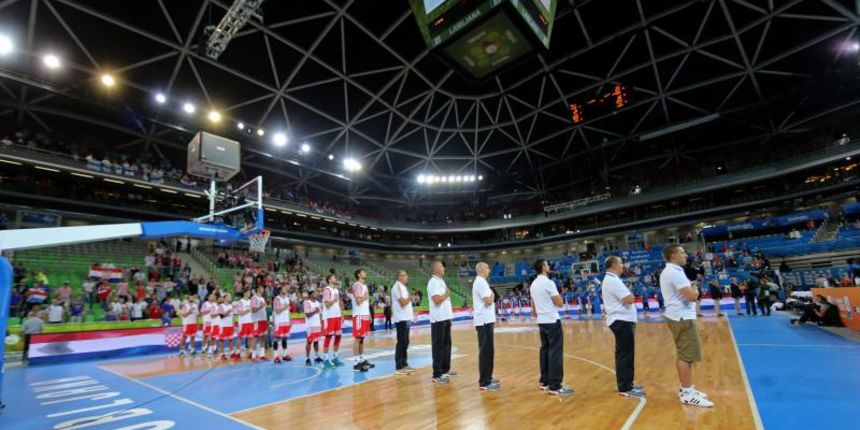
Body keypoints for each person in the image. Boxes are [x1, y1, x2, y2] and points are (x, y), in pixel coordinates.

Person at [660, 245, 713, 408]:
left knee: (684, 353)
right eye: (683, 253)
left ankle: (687, 388)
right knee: (685, 355)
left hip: (678, 316)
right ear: (674, 255)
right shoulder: (674, 272)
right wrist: (694, 289)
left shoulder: (670, 271)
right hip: (682, 316)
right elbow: (691, 296)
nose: (686, 255)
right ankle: (686, 393)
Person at [602, 256, 645, 398]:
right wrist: (631, 295)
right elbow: (629, 299)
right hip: (622, 320)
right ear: (613, 265)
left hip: (621, 320)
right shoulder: (612, 280)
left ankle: (627, 384)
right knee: (625, 355)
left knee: (625, 354)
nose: (623, 265)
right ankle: (625, 387)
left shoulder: (611, 280)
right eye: (620, 263)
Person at [530, 260, 572, 396]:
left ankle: (545, 381)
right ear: (543, 267)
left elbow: (533, 308)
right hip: (551, 320)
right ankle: (555, 386)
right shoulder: (548, 283)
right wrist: (560, 295)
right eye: (547, 264)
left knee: (545, 350)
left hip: (541, 320)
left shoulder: (533, 284)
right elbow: (559, 303)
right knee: (555, 353)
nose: (549, 266)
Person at [472, 262, 500, 391]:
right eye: (488, 268)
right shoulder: (481, 282)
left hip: (486, 320)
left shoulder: (482, 282)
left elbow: (490, 299)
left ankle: (488, 378)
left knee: (488, 351)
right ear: (482, 269)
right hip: (484, 321)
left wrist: (491, 296)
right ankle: (484, 381)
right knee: (485, 351)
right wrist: (492, 295)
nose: (489, 270)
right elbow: (489, 300)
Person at [428, 261, 455, 384]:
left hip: (445, 318)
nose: (444, 268)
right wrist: (447, 294)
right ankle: (437, 374)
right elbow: (437, 300)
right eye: (441, 266)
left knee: (447, 345)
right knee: (438, 347)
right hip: (438, 319)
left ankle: (445, 370)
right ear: (435, 269)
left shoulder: (441, 281)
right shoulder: (433, 282)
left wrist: (449, 317)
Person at [390, 270, 416, 375]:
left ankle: (404, 364)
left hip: (406, 318)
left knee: (405, 341)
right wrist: (410, 298)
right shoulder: (397, 287)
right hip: (401, 318)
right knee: (401, 342)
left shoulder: (403, 287)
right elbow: (403, 303)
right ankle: (399, 366)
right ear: (399, 276)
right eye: (405, 275)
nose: (407, 277)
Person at [351, 269, 374, 371]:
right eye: (363, 272)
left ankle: (362, 359)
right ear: (359, 274)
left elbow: (366, 302)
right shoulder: (357, 285)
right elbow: (359, 301)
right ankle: (356, 363)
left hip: (364, 314)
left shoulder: (364, 286)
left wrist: (369, 314)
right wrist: (365, 296)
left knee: (362, 338)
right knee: (357, 338)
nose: (365, 272)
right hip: (359, 315)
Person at [321, 274, 345, 368]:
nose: (336, 278)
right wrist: (334, 299)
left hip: (337, 316)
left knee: (338, 336)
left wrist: (341, 314)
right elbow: (327, 304)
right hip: (329, 316)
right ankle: (326, 359)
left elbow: (338, 303)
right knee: (328, 337)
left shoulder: (336, 290)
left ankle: (335, 357)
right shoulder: (327, 289)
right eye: (334, 277)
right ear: (329, 279)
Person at [272, 286, 293, 363]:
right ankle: (275, 357)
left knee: (285, 338)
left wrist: (290, 319)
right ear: (280, 291)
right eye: (284, 289)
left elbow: (288, 310)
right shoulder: (276, 299)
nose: (286, 290)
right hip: (279, 321)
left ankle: (285, 355)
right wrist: (285, 307)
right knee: (276, 338)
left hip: (286, 321)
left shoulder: (287, 298)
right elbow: (277, 311)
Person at [303, 290, 323, 366]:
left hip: (317, 325)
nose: (316, 294)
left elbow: (320, 313)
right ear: (310, 294)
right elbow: (307, 315)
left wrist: (320, 322)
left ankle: (317, 357)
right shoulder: (306, 303)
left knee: (316, 341)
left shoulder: (318, 303)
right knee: (309, 341)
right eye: (314, 293)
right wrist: (315, 311)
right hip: (310, 326)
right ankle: (307, 358)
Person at [237, 288, 256, 361]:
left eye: (249, 292)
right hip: (243, 322)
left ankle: (250, 352)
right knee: (240, 338)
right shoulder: (241, 302)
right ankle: (238, 353)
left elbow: (253, 312)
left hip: (250, 322)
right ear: (244, 293)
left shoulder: (250, 301)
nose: (249, 294)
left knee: (250, 338)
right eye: (248, 292)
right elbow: (241, 313)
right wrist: (248, 310)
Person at [252, 286, 269, 361]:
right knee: (255, 337)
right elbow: (253, 310)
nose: (263, 289)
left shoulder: (262, 298)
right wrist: (260, 306)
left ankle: (262, 354)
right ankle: (253, 355)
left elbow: (264, 310)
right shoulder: (254, 298)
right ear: (258, 289)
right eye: (261, 288)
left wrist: (267, 319)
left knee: (263, 337)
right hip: (257, 320)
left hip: (263, 320)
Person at [218, 294, 235, 361]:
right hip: (223, 325)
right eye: (228, 297)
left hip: (230, 325)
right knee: (222, 340)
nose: (230, 298)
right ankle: (222, 354)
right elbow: (221, 316)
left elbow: (232, 316)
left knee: (230, 339)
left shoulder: (230, 306)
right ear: (224, 298)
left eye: (230, 297)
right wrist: (229, 311)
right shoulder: (221, 306)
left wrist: (233, 323)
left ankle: (232, 353)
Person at [201, 294, 216, 359]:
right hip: (207, 321)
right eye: (211, 297)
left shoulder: (215, 304)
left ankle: (213, 348)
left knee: (213, 336)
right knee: (206, 335)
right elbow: (202, 312)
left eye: (213, 297)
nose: (212, 298)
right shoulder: (205, 304)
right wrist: (209, 310)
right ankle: (203, 348)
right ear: (208, 297)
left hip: (214, 322)